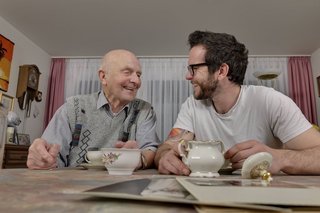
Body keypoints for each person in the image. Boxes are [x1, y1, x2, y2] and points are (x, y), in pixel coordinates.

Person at [155, 30, 320, 176]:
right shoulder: (192, 106)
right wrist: (164, 156)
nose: (188, 76)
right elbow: (167, 147)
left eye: (194, 69)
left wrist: (280, 158)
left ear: (221, 71)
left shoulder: (271, 101)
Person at [27, 49, 160, 169]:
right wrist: (43, 160)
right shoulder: (73, 107)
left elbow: (150, 149)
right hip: (73, 187)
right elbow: (50, 155)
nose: (136, 81)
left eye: (138, 74)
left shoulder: (144, 110)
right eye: (127, 72)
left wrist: (138, 159)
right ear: (103, 77)